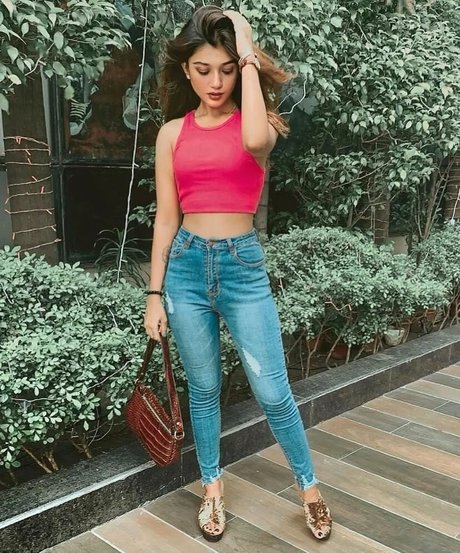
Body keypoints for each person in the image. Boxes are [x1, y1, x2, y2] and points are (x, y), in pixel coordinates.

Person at [143, 5, 332, 543]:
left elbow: (252, 143)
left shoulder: (260, 124)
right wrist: (154, 293)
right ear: (186, 71)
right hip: (184, 270)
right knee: (203, 388)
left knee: (273, 391)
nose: (215, 82)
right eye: (203, 70)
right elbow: (166, 217)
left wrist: (245, 45)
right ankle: (212, 487)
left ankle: (310, 488)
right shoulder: (171, 134)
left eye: (226, 69)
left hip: (242, 268)